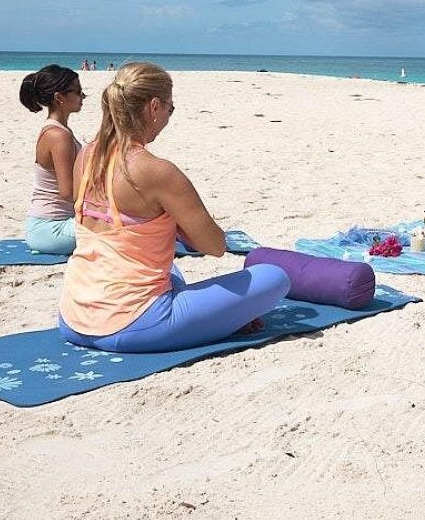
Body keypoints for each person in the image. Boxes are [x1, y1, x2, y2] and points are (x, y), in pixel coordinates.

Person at [58, 62, 289, 352]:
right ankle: (221, 319)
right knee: (275, 277)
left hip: (73, 317)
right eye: (170, 108)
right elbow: (215, 246)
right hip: (132, 325)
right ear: (154, 107)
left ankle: (217, 317)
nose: (169, 115)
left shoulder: (87, 156)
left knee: (171, 270)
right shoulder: (156, 171)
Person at [19, 65, 86, 254]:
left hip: (53, 225)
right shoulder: (58, 136)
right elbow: (67, 192)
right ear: (59, 98)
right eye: (77, 91)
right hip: (51, 228)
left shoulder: (59, 130)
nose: (83, 96)